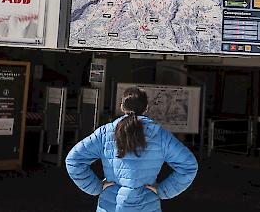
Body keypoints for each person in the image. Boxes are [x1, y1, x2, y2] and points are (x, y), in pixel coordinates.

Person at [66, 87, 198, 212]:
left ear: (122, 107)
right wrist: (163, 190)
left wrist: (96, 187)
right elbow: (189, 166)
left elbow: (74, 160)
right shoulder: (160, 135)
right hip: (147, 206)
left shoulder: (105, 133)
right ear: (146, 108)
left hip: (111, 206)